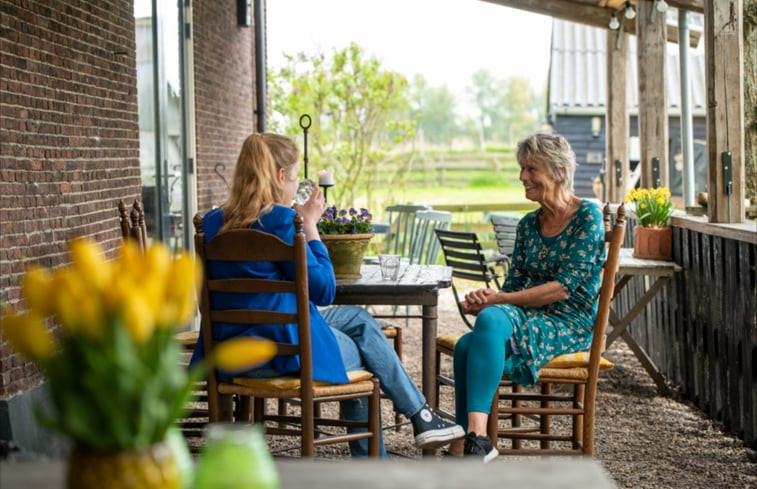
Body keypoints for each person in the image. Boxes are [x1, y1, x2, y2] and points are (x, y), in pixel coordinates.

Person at [189, 132, 463, 458]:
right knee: (367, 354)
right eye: (294, 178)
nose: (295, 186)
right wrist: (312, 226)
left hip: (230, 351)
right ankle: (383, 457)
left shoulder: (212, 222)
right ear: (279, 176)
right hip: (281, 353)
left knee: (359, 320)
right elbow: (323, 290)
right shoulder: (282, 221)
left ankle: (422, 418)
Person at [447, 133, 606, 462]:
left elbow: (564, 288)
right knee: (467, 343)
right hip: (530, 319)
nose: (523, 177)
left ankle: (476, 438)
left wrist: (497, 302)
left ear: (559, 171)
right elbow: (514, 286)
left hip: (568, 322)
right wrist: (488, 299)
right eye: (522, 169)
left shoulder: (587, 217)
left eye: (531, 169)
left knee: (490, 320)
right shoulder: (528, 225)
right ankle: (467, 443)